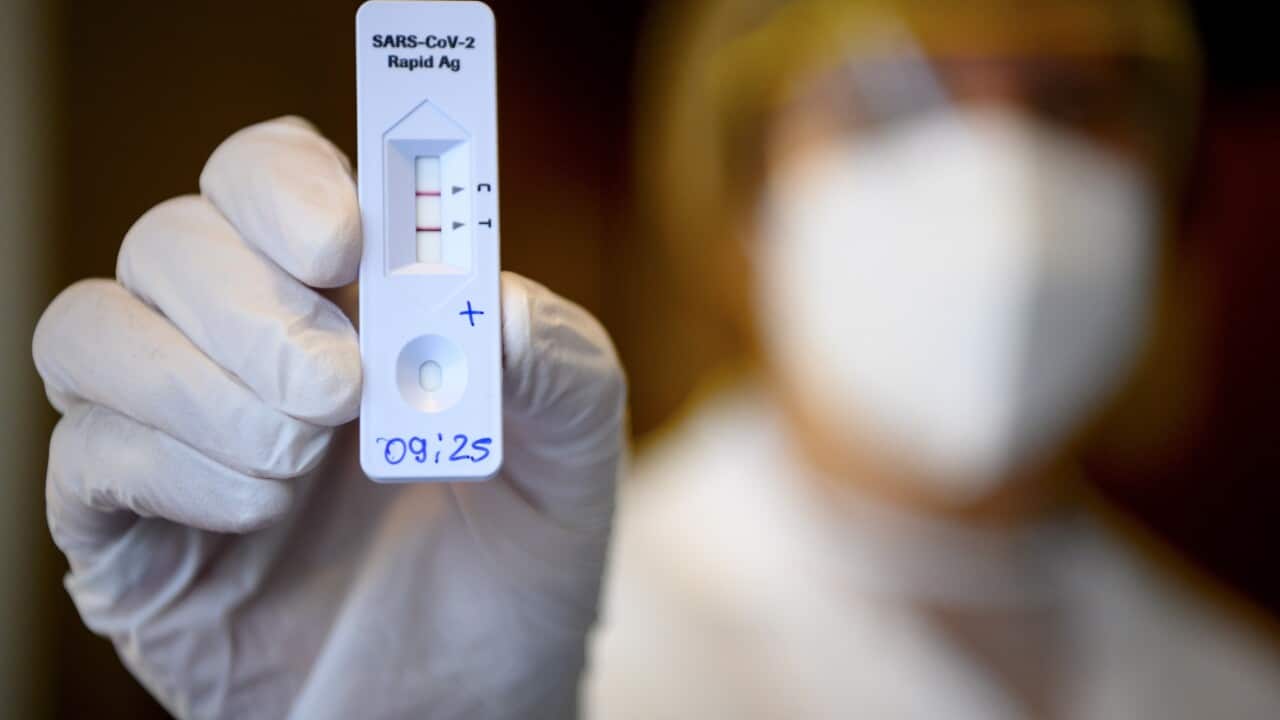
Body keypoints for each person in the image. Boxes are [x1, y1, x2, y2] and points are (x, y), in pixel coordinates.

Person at [30, 2, 1280, 719]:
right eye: (895, 98)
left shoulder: (1240, 674)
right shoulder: (528, 620)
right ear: (741, 207)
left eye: (1069, 105)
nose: (1001, 180)